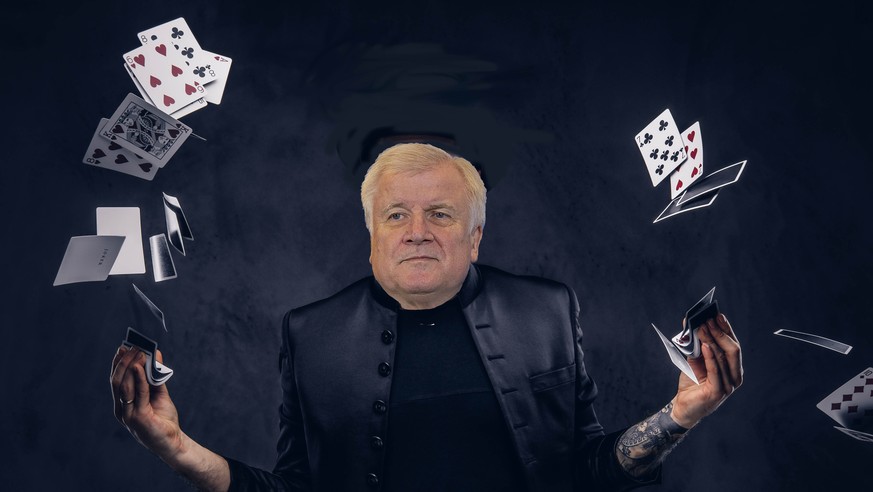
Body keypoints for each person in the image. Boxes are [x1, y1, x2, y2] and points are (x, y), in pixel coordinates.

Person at [110, 143, 743, 491]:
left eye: (440, 214)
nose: (417, 233)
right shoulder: (310, 333)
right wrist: (177, 450)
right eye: (396, 216)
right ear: (371, 237)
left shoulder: (547, 310)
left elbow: (588, 474)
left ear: (475, 237)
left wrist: (681, 413)